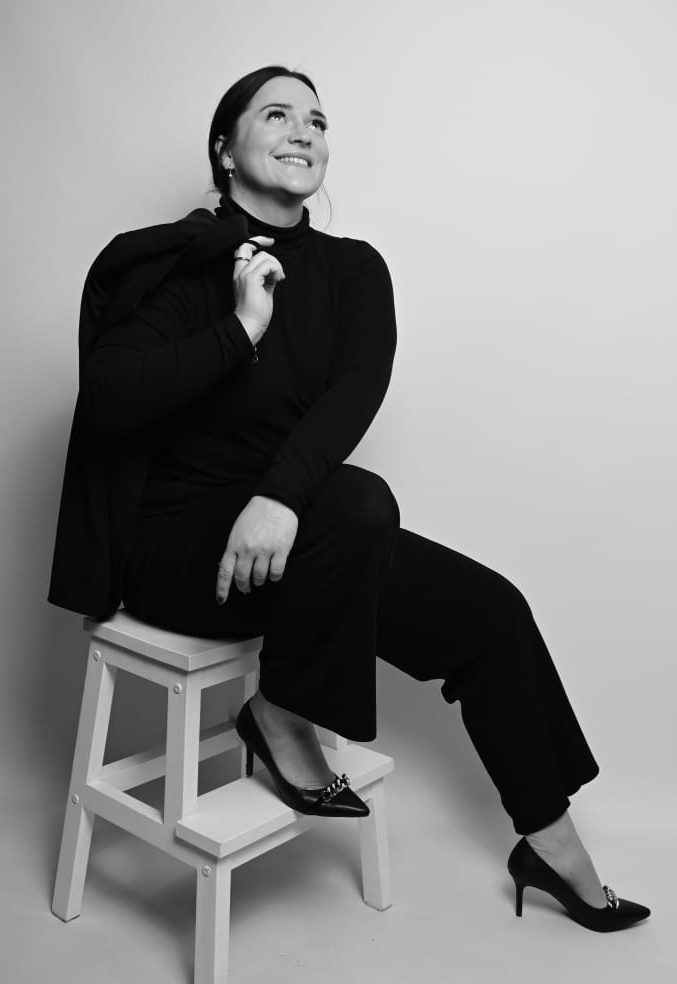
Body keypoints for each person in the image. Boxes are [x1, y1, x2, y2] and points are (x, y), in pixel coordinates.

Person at [48, 65, 650, 932]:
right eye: (277, 115)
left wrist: (278, 500)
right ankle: (279, 713)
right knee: (358, 500)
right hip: (179, 549)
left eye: (318, 121)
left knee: (489, 610)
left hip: (296, 535)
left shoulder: (352, 271)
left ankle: (550, 844)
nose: (304, 131)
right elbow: (109, 400)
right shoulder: (179, 264)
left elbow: (353, 395)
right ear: (224, 150)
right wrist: (240, 329)